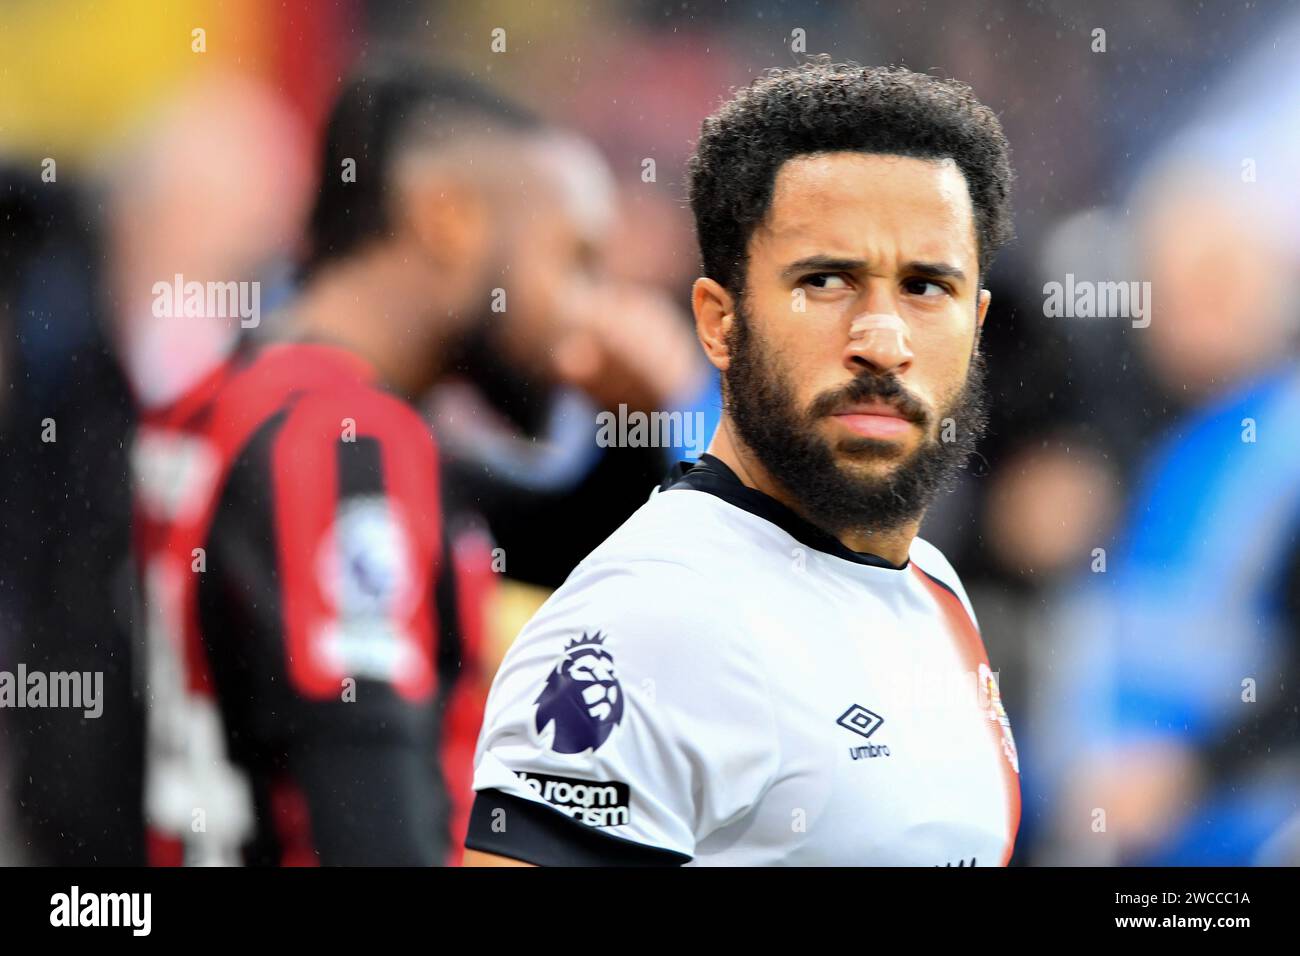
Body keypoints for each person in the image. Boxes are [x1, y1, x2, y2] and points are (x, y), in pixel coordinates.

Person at [464, 61, 1021, 866]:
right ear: (720, 323)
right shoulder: (649, 620)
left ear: (975, 324)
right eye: (826, 280)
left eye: (926, 287)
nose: (883, 340)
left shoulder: (934, 587)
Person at [133, 58, 616, 865]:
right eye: (571, 260)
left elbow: (559, 538)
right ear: (446, 217)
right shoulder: (345, 441)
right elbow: (370, 831)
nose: (591, 318)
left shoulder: (230, 396)